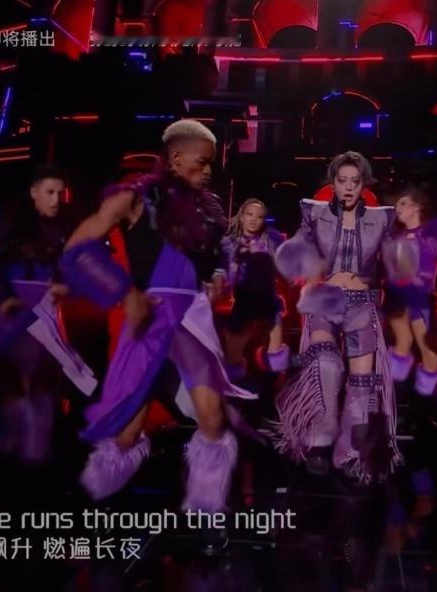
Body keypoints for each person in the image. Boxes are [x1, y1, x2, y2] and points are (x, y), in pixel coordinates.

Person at [61, 120, 254, 551]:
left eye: (212, 163)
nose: (209, 170)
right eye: (202, 162)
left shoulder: (208, 209)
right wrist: (123, 291)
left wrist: (218, 274)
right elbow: (78, 247)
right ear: (175, 159)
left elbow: (218, 254)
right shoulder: (135, 198)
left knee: (212, 416)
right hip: (149, 323)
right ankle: (97, 498)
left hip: (192, 322)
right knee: (127, 434)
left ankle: (207, 510)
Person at [272, 151, 400, 482]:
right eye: (342, 181)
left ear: (364, 184)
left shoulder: (381, 219)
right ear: (333, 183)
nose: (348, 188)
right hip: (325, 300)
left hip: (362, 302)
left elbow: (394, 259)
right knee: (325, 365)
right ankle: (320, 439)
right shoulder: (315, 215)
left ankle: (353, 453)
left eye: (355, 182)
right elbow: (297, 246)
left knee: (362, 384)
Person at [0, 165, 77, 464]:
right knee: (11, 380)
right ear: (34, 192)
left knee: (43, 381)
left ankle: (37, 451)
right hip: (15, 311)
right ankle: (7, 449)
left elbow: (70, 267)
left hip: (47, 312)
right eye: (50, 192)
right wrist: (5, 298)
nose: (56, 199)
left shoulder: (64, 227)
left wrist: (64, 283)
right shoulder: (12, 221)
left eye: (60, 193)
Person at [385, 184, 437, 396]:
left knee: (428, 352)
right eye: (397, 204)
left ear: (417, 207)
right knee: (402, 343)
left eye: (403, 203)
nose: (397, 208)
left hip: (421, 299)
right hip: (398, 298)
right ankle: (393, 394)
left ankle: (428, 397)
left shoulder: (430, 235)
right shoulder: (395, 237)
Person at [215, 198, 290, 381]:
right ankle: (235, 388)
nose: (253, 219)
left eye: (259, 216)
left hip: (268, 303)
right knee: (233, 361)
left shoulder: (273, 240)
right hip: (243, 303)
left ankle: (272, 388)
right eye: (249, 214)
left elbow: (287, 265)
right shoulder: (229, 243)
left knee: (275, 361)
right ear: (241, 217)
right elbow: (221, 270)